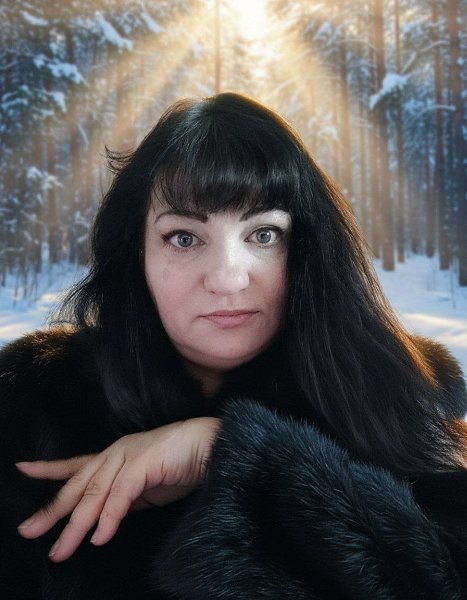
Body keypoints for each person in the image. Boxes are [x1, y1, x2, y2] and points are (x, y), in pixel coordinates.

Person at [1, 92, 466, 600]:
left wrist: (242, 456)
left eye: (263, 234)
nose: (227, 278)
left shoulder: (403, 391)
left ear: (307, 249)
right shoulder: (31, 403)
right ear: (135, 254)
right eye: (184, 238)